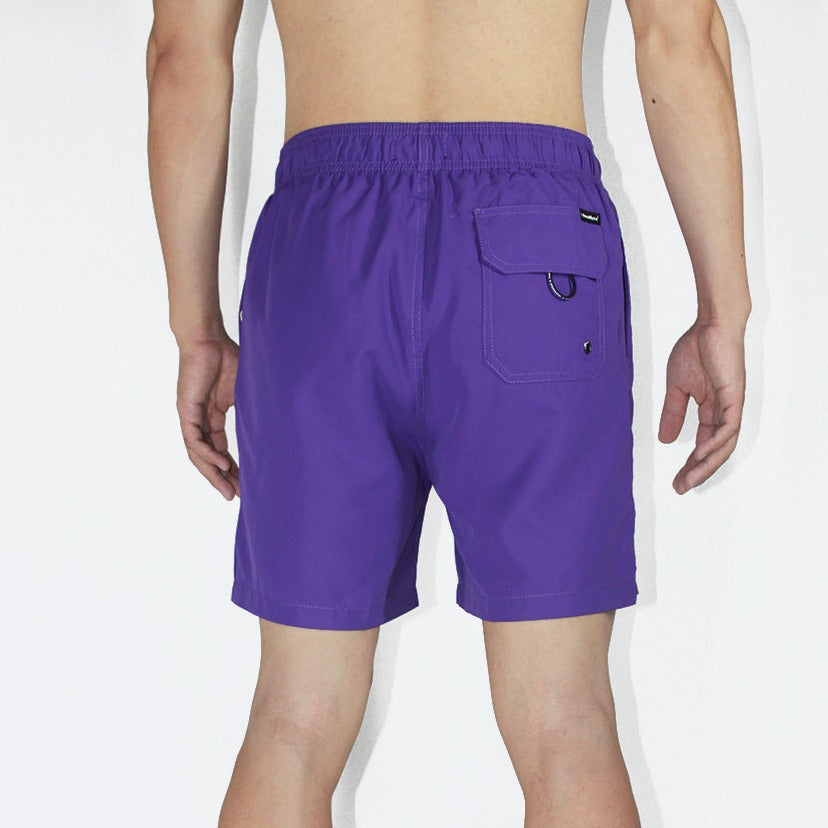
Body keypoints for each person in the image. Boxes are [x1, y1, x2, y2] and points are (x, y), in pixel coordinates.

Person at [146, 0, 750, 824]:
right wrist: (722, 310)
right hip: (537, 242)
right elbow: (682, 40)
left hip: (326, 257)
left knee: (293, 719)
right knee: (565, 721)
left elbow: (181, 60)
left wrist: (195, 327)